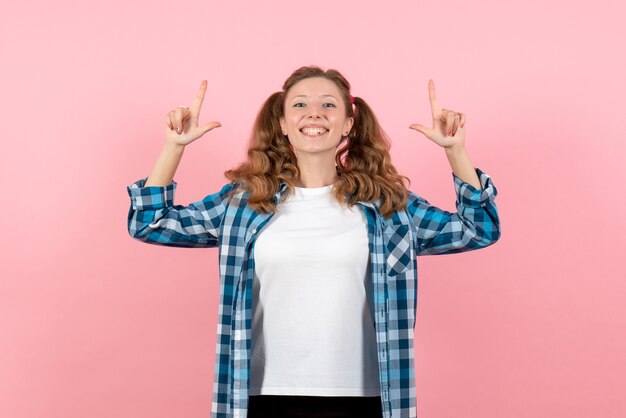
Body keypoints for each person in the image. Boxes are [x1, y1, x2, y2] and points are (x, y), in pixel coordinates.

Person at [126, 65, 501, 418]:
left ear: (348, 124)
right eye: (300, 105)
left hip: (364, 396)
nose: (314, 113)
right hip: (262, 394)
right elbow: (150, 223)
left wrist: (456, 152)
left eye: (328, 105)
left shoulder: (387, 206)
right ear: (284, 124)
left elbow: (478, 228)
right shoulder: (243, 202)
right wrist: (174, 147)